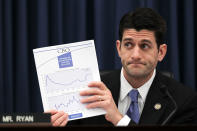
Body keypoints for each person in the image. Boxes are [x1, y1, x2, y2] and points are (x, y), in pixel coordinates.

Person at [46, 8, 197, 126]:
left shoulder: (182, 101)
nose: (136, 54)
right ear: (119, 49)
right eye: (128, 45)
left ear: (161, 52)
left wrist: (118, 119)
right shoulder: (88, 90)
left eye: (144, 46)